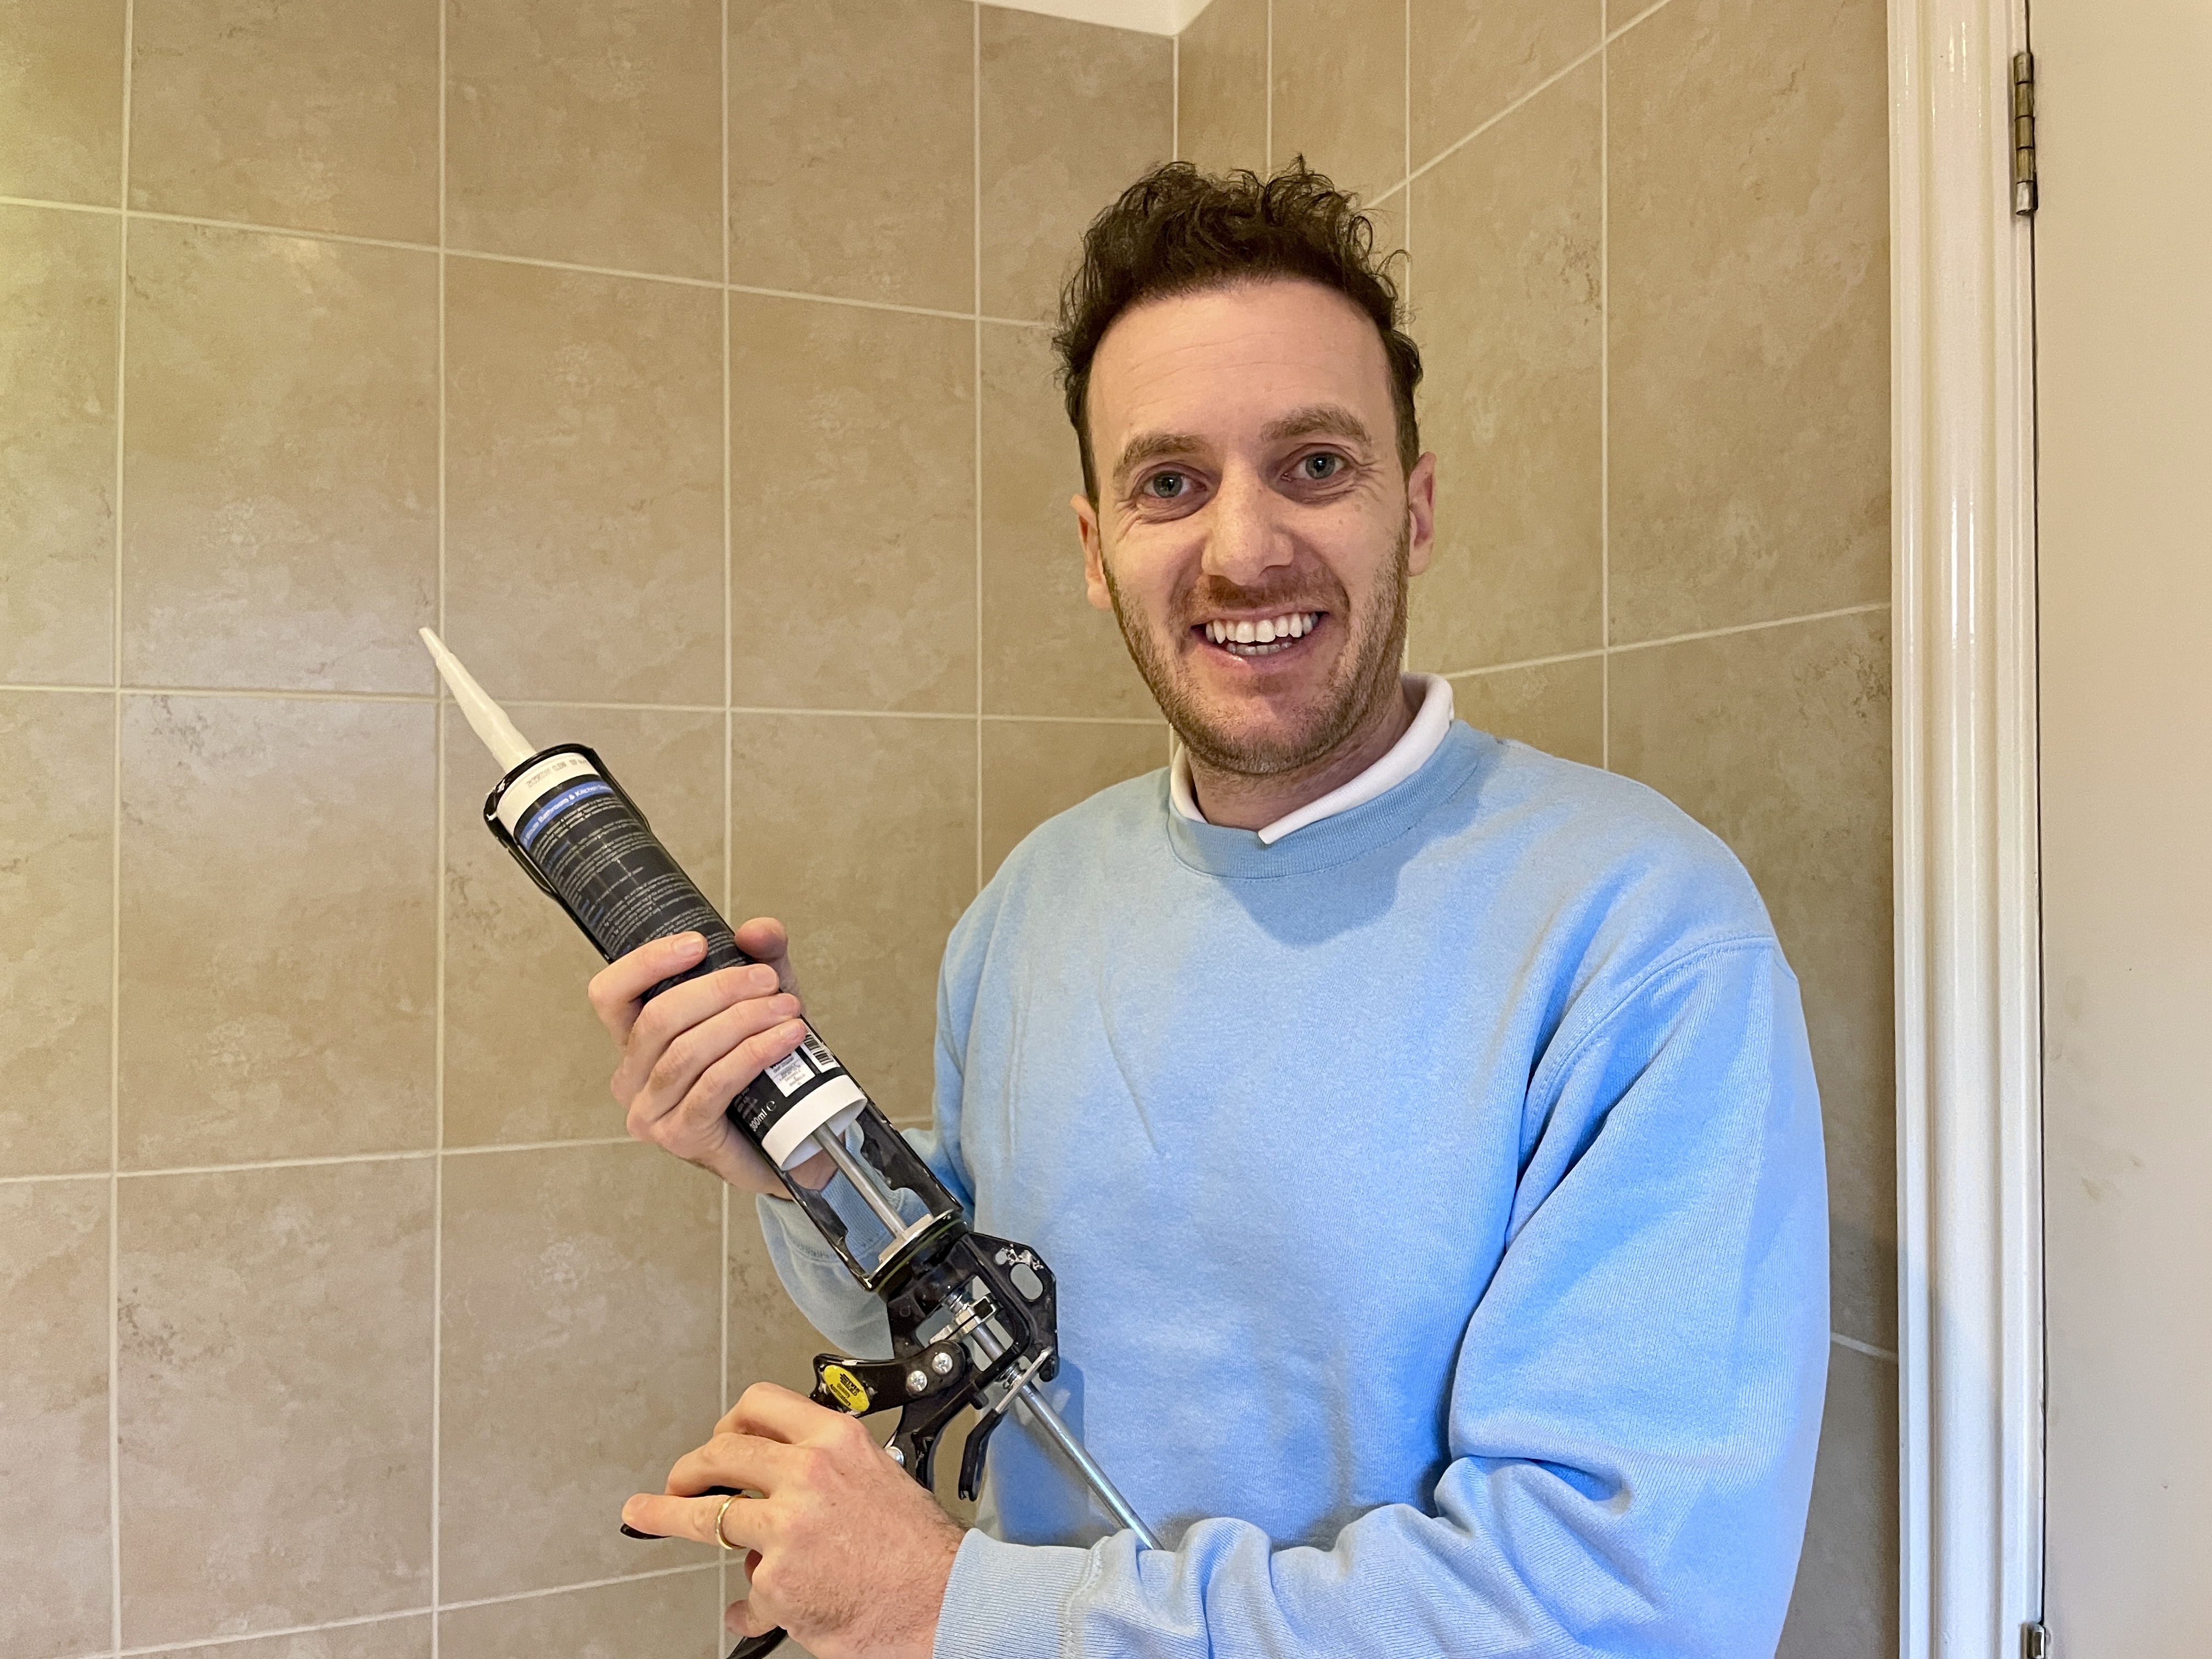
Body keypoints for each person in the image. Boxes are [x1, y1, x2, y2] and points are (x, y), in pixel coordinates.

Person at [595, 164, 1829, 1659]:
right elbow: (973, 1332)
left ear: (1416, 509)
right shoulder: (1031, 904)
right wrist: (798, 1169)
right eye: (1169, 483)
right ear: (1094, 549)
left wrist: (956, 1608)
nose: (1244, 550)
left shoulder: (1639, 935)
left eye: (1315, 463)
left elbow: (1630, 1611)